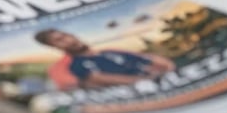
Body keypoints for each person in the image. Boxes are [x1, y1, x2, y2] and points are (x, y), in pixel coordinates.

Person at [33, 29, 175, 89]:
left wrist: (168, 70)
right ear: (53, 46)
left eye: (67, 35)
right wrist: (151, 80)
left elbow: (154, 60)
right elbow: (97, 81)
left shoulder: (110, 52)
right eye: (60, 40)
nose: (70, 40)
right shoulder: (73, 66)